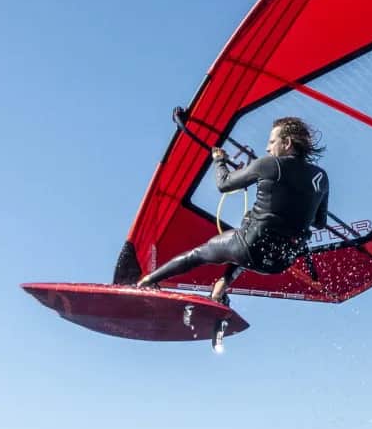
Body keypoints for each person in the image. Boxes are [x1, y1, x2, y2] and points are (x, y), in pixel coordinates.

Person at [137, 116, 329, 305]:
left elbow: (224, 184)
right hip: (281, 261)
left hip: (248, 247)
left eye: (272, 141)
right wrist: (294, 209)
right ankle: (221, 287)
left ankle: (147, 281)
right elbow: (319, 222)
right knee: (260, 237)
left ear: (286, 143)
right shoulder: (321, 177)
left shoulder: (269, 164)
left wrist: (219, 160)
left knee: (198, 254)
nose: (267, 148)